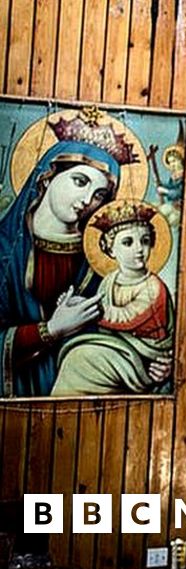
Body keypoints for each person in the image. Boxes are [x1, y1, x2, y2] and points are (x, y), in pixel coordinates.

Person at [0, 138, 128, 397]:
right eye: (80, 181)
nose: (87, 200)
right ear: (48, 176)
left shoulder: (99, 259)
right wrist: (51, 330)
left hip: (75, 391)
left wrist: (148, 361)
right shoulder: (5, 248)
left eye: (99, 195)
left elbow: (113, 333)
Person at [51, 201, 174, 395]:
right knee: (76, 357)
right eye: (128, 242)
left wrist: (89, 308)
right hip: (119, 348)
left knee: (80, 359)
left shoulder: (153, 286)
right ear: (111, 250)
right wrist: (75, 304)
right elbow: (105, 318)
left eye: (145, 241)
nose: (139, 249)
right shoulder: (109, 281)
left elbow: (127, 318)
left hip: (146, 357)